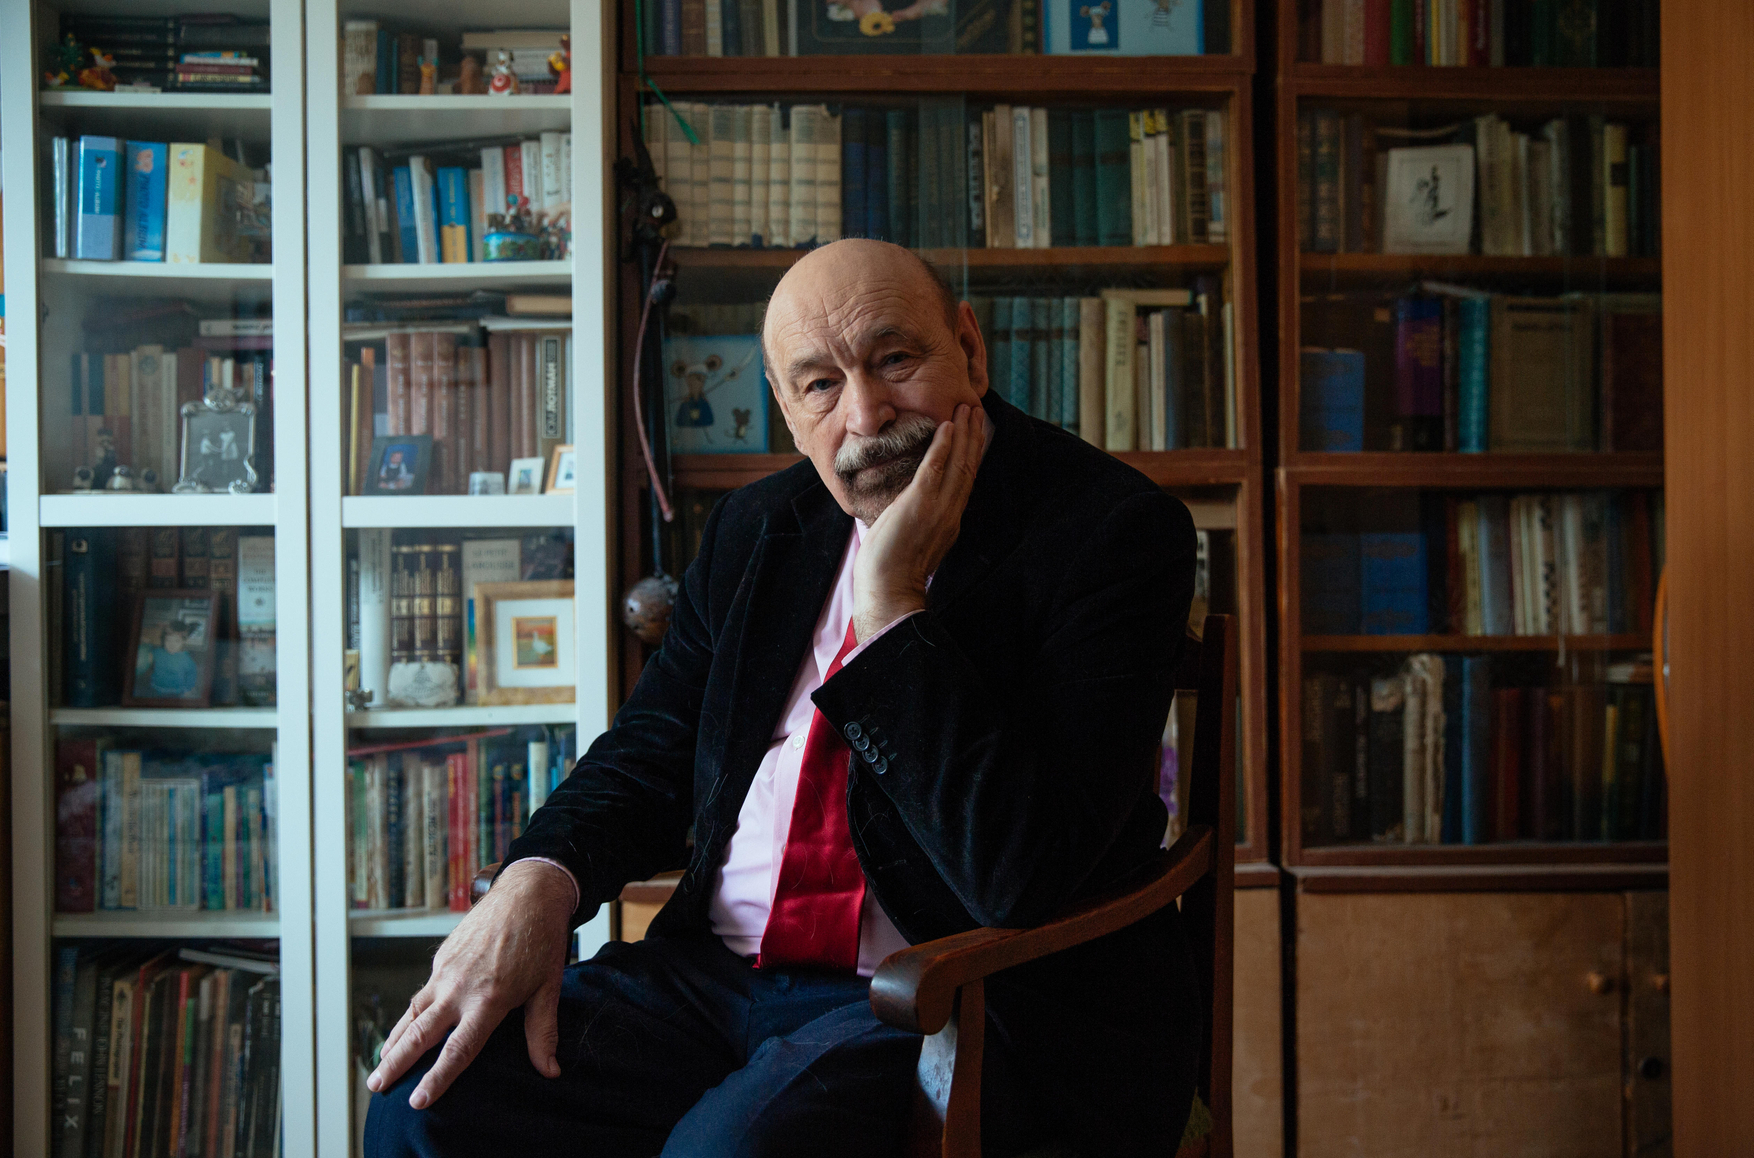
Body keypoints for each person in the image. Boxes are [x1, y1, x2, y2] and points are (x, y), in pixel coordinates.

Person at [366, 238, 1201, 1158]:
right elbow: (653, 747)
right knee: (424, 1104)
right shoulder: (759, 526)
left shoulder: (1110, 532)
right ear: (786, 409)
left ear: (969, 348)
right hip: (718, 976)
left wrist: (892, 611)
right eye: (821, 386)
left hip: (953, 997)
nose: (866, 415)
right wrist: (540, 878)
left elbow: (1022, 874)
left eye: (895, 360)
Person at [144, 619, 200, 698]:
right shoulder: (158, 652)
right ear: (164, 639)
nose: (171, 644)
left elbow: (191, 675)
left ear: (184, 641)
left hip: (176, 692)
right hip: (155, 688)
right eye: (168, 640)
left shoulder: (187, 659)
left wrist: (187, 690)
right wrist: (147, 644)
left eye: (176, 641)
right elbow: (150, 652)